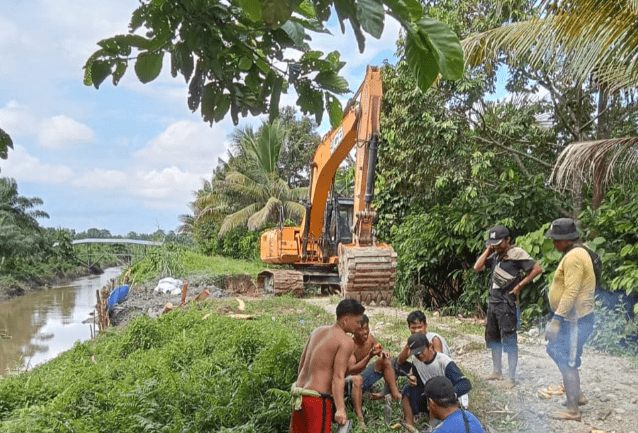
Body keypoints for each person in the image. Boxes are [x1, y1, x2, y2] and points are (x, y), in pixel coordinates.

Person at [473, 225, 542, 388]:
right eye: (493, 243)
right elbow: (477, 267)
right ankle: (497, 371)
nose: (496, 246)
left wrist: (520, 285)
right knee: (493, 338)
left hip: (507, 303)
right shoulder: (495, 255)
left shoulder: (517, 254)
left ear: (508, 240)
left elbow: (537, 269)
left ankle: (511, 378)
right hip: (494, 302)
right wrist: (489, 250)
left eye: (499, 243)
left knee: (509, 339)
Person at [544, 218, 596, 421]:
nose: (554, 243)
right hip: (574, 317)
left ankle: (573, 410)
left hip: (574, 319)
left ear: (565, 240)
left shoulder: (574, 256)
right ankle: (578, 395)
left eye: (555, 239)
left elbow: (571, 290)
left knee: (567, 360)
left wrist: (556, 320)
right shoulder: (579, 251)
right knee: (561, 353)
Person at [290, 298, 365, 432]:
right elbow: (338, 377)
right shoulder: (346, 341)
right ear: (346, 319)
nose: (359, 326)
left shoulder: (317, 331)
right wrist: (341, 409)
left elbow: (301, 365)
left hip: (299, 397)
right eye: (358, 321)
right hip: (317, 401)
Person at [399, 333, 471, 428]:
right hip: (429, 400)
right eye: (416, 354)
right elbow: (421, 383)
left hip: (445, 401)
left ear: (429, 346)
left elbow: (465, 383)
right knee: (407, 389)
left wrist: (448, 395)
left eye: (421, 352)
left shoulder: (443, 361)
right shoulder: (416, 362)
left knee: (440, 423)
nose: (419, 356)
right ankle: (409, 425)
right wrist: (414, 382)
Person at [345, 314, 402, 425]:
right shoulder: (350, 346)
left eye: (367, 328)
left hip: (364, 378)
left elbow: (378, 348)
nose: (365, 332)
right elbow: (352, 370)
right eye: (361, 330)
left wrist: (382, 353)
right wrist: (369, 356)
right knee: (357, 379)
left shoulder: (370, 339)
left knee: (385, 361)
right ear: (354, 331)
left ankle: (395, 395)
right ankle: (359, 416)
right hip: (351, 383)